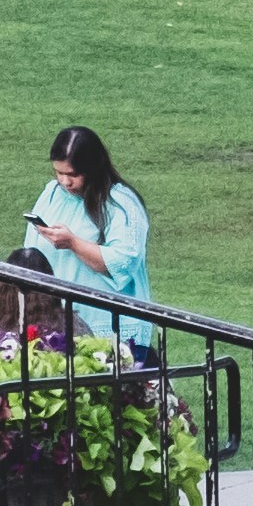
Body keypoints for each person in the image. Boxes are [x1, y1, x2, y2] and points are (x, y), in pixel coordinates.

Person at [24, 125, 153, 353]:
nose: (65, 182)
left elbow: (123, 262)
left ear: (92, 168)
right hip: (57, 324)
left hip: (109, 329)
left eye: (73, 174)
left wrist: (72, 243)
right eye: (59, 172)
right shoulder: (51, 193)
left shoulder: (120, 204)